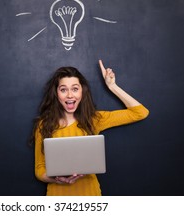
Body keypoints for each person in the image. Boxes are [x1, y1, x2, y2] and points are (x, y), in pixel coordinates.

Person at [32, 59, 149, 196]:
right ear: (56, 93)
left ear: (82, 92)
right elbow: (39, 169)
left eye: (75, 89)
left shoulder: (94, 120)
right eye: (63, 90)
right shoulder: (44, 125)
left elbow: (140, 112)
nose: (70, 95)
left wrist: (112, 86)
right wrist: (57, 180)